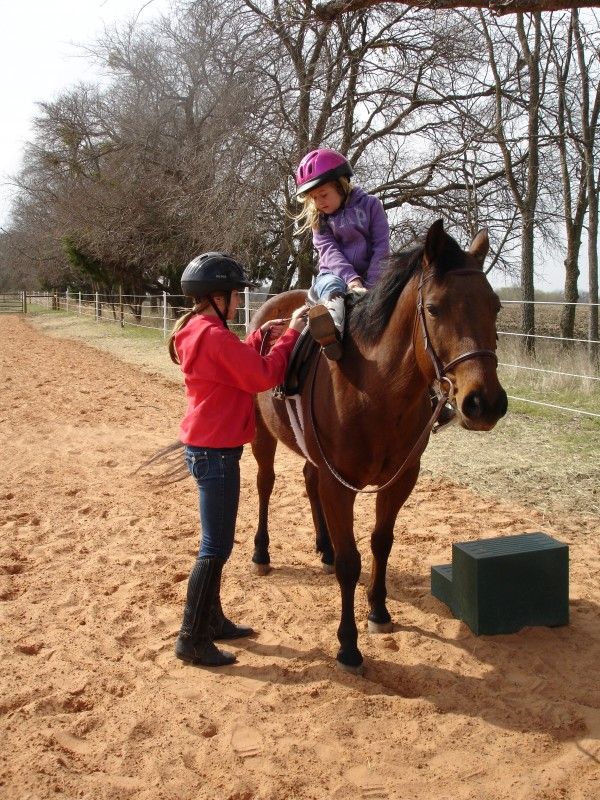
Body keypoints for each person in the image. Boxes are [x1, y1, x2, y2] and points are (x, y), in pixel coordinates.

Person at [169, 252, 306, 667]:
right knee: (215, 546)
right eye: (235, 296)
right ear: (218, 298)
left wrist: (260, 335)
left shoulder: (200, 330)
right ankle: (191, 637)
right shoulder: (212, 335)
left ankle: (211, 620)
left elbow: (235, 363)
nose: (239, 303)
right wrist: (291, 335)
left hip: (208, 447)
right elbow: (263, 376)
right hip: (216, 453)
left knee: (218, 544)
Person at [294, 147, 390, 360]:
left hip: (370, 279)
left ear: (341, 185)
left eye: (324, 194)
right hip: (333, 276)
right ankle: (332, 332)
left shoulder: (371, 206)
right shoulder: (320, 220)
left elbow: (381, 247)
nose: (319, 202)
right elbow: (329, 252)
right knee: (333, 286)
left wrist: (371, 286)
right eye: (314, 198)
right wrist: (353, 281)